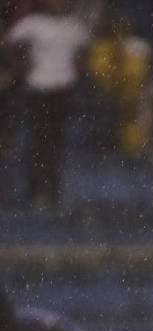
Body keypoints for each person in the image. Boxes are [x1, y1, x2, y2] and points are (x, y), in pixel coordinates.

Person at [3, 0, 91, 209]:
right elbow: (8, 43)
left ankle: (52, 189)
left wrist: (78, 70)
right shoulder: (33, 23)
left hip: (62, 88)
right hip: (38, 86)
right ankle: (35, 189)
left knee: (55, 140)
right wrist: (20, 68)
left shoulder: (74, 26)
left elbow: (85, 50)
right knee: (37, 139)